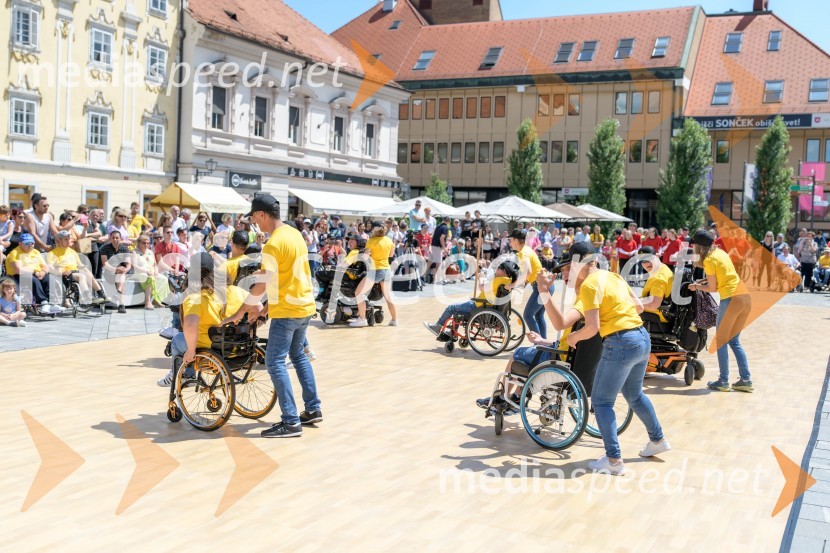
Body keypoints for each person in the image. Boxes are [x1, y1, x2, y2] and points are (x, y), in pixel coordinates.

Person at [536, 241, 669, 475]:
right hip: (642, 337)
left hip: (621, 342)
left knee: (602, 402)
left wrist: (573, 333)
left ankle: (614, 460)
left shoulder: (589, 285)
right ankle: (657, 440)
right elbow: (638, 306)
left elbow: (591, 327)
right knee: (634, 394)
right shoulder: (614, 277)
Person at [226, 194, 321, 438]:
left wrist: (242, 310)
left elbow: (262, 285)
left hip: (288, 312)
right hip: (304, 305)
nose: (255, 224)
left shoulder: (273, 244)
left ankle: (290, 421)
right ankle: (312, 409)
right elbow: (288, 277)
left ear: (262, 214)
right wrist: (265, 308)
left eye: (255, 218)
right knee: (298, 356)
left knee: (274, 362)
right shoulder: (294, 234)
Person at [156, 252, 255, 387]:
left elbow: (190, 326)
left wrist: (191, 351)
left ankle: (183, 374)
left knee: (177, 340)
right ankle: (188, 374)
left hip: (211, 352)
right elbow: (259, 307)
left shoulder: (195, 297)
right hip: (240, 349)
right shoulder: (235, 290)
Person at [688, 230, 752, 393]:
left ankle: (723, 381)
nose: (692, 246)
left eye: (693, 244)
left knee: (721, 340)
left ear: (700, 246)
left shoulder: (709, 260)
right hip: (744, 297)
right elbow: (721, 276)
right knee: (734, 341)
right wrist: (701, 281)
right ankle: (745, 380)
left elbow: (712, 287)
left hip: (731, 299)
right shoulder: (720, 252)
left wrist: (696, 286)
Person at [423, 260, 518, 337]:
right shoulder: (508, 281)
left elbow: (482, 288)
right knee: (458, 311)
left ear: (503, 271)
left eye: (498, 269)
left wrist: (479, 279)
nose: (496, 271)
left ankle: (438, 326)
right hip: (488, 306)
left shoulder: (499, 280)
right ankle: (452, 333)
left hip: (480, 306)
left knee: (451, 307)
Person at [351, 221, 398, 327]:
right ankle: (394, 320)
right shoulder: (389, 240)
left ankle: (362, 318)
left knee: (358, 293)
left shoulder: (371, 241)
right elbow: (391, 254)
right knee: (388, 296)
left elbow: (366, 257)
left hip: (375, 270)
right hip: (386, 269)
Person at [5, 233, 64, 313]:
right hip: (18, 276)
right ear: (20, 244)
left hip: (37, 273)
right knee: (32, 279)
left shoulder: (36, 252)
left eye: (32, 243)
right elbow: (18, 270)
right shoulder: (15, 253)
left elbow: (45, 266)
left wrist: (43, 272)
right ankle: (43, 303)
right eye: (27, 243)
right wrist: (34, 271)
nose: (30, 245)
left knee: (49, 278)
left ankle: (52, 304)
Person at [47, 230, 108, 306]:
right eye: (66, 239)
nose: (68, 240)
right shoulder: (53, 253)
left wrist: (86, 270)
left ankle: (102, 295)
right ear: (59, 240)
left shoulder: (72, 252)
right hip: (65, 274)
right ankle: (87, 297)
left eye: (69, 238)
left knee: (88, 273)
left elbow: (80, 265)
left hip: (75, 271)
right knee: (81, 276)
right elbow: (50, 267)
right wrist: (61, 272)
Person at [510, 229, 545, 338]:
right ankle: (543, 345)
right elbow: (531, 273)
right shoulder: (527, 249)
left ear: (516, 240)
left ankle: (538, 343)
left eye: (511, 240)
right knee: (539, 316)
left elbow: (527, 272)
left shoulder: (523, 253)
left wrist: (512, 285)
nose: (510, 242)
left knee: (528, 315)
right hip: (544, 285)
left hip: (540, 286)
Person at [637, 246, 673, 330]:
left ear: (657, 256)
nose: (647, 263)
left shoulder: (658, 278)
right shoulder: (661, 268)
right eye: (643, 261)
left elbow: (653, 305)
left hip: (657, 316)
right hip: (659, 312)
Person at [100, 230, 132, 314]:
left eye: (117, 238)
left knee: (121, 274)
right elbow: (105, 264)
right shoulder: (104, 248)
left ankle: (118, 292)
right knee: (120, 275)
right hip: (109, 271)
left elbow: (128, 264)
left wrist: (125, 270)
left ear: (120, 239)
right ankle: (121, 304)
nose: (115, 239)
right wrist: (116, 269)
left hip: (122, 271)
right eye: (113, 238)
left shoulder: (124, 248)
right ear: (110, 238)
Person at [133, 234, 166, 309]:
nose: (146, 244)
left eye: (147, 243)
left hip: (151, 272)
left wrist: (156, 271)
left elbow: (155, 264)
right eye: (143, 243)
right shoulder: (135, 252)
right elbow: (135, 266)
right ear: (139, 243)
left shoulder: (150, 252)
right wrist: (146, 271)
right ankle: (147, 302)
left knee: (163, 278)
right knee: (150, 278)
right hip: (140, 273)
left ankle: (156, 299)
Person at [428, 217, 449, 284]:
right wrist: (444, 248)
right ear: (448, 222)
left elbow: (433, 235)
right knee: (439, 263)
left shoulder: (438, 226)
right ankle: (436, 279)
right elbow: (441, 238)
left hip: (433, 245)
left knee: (430, 262)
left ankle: (423, 277)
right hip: (437, 246)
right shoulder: (445, 228)